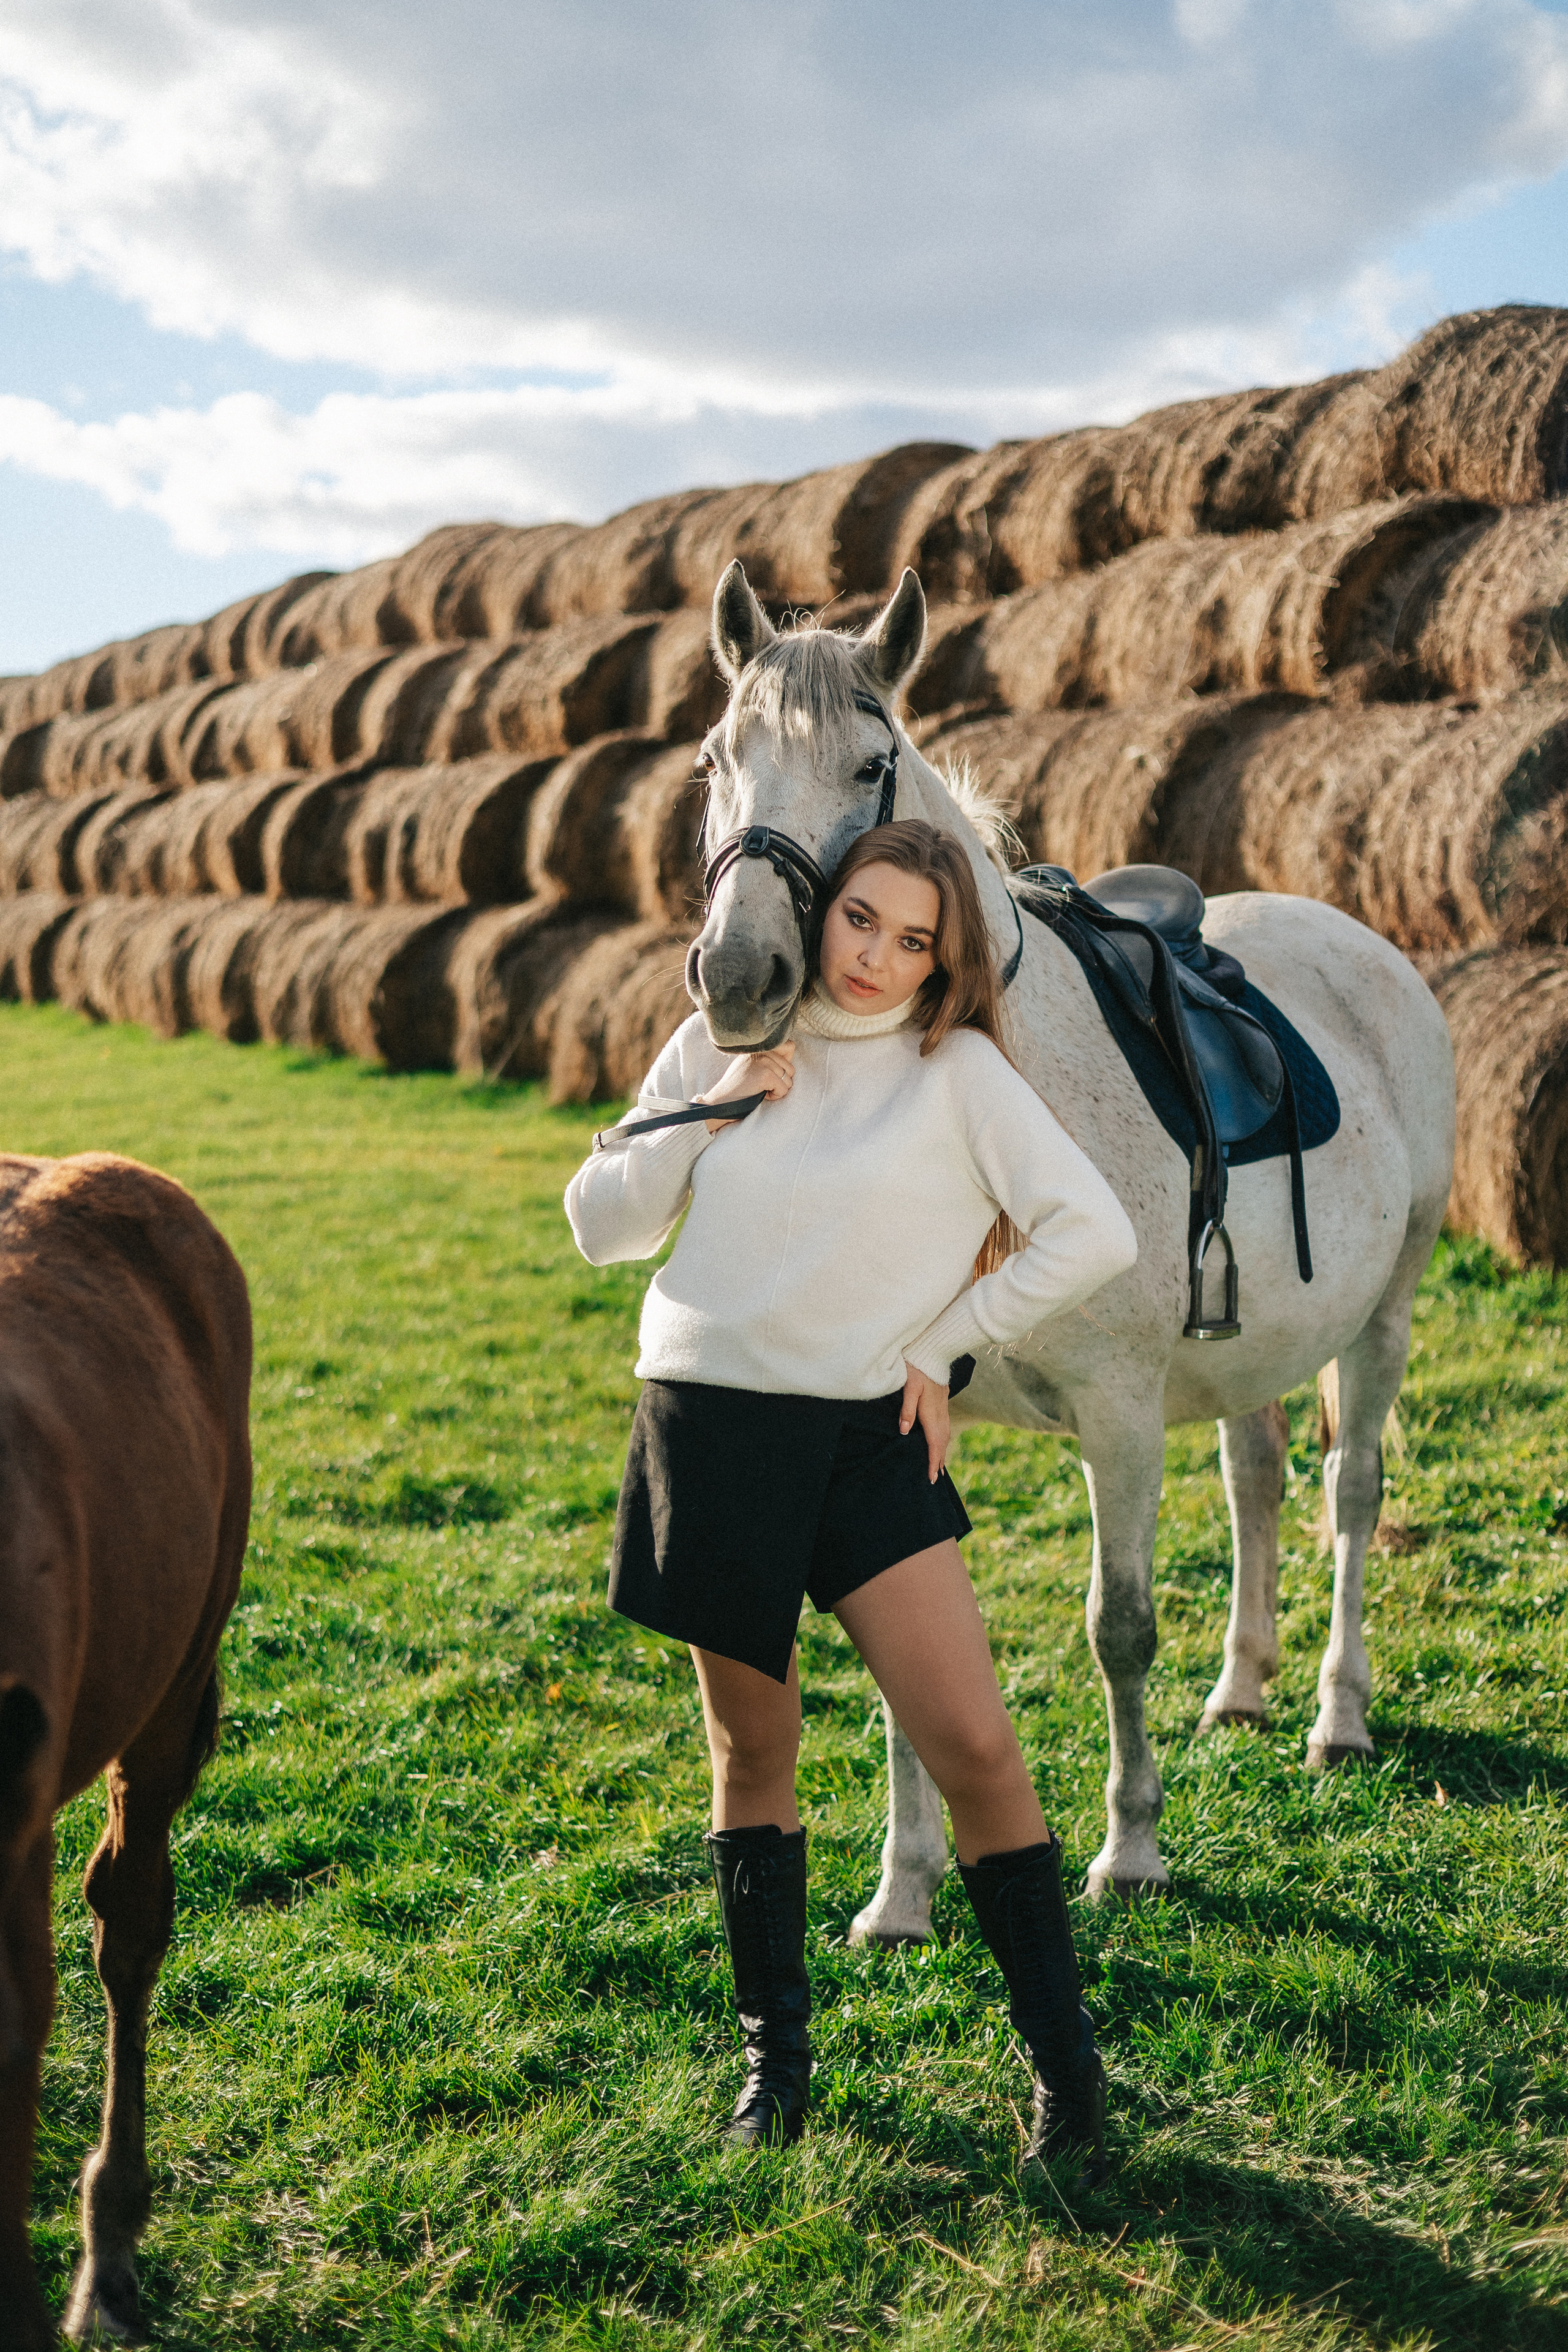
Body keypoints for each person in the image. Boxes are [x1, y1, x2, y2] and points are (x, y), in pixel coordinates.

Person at [564, 818, 1137, 2184]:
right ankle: (777, 2063)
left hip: (870, 1441)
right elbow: (600, 1224)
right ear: (820, 912)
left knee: (979, 1750)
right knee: (750, 1755)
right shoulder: (722, 1032)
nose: (877, 958)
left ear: (948, 963)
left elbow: (1091, 1229)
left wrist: (946, 1341)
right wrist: (716, 1099)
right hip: (707, 1425)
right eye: (860, 920)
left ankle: (1066, 2077)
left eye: (913, 940)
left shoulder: (959, 1075)